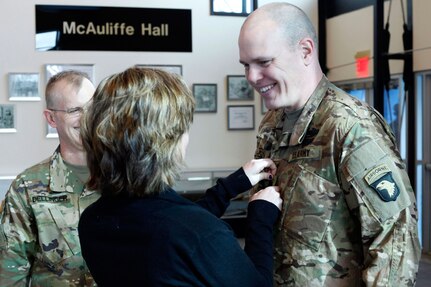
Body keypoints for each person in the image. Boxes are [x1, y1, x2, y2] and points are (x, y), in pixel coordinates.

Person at [238, 2, 421, 286]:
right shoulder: (273, 122)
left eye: (263, 62)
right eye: (246, 65)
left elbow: (394, 240)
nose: (251, 77)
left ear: (306, 51)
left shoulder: (350, 127)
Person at [78, 67, 282, 287]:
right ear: (165, 142)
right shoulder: (196, 231)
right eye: (183, 128)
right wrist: (260, 218)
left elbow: (170, 229)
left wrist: (232, 185)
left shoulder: (92, 220)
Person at [0, 70, 100, 286]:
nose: (87, 118)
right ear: (51, 118)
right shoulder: (27, 187)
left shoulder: (123, 178)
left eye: (92, 108)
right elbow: (10, 272)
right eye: (75, 110)